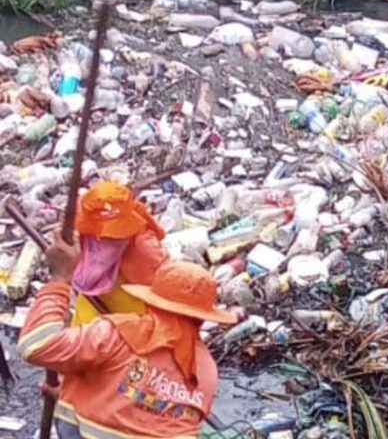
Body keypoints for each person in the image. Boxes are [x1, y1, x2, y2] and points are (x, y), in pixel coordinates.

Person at [19, 243, 237, 436]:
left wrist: (60, 280)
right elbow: (152, 412)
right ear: (202, 317)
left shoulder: (119, 333)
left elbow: (36, 344)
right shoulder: (206, 369)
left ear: (152, 301)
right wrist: (71, 393)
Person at [70, 181, 168, 326]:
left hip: (134, 311)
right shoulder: (86, 233)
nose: (107, 242)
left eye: (112, 237)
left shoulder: (144, 250)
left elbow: (163, 292)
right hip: (97, 305)